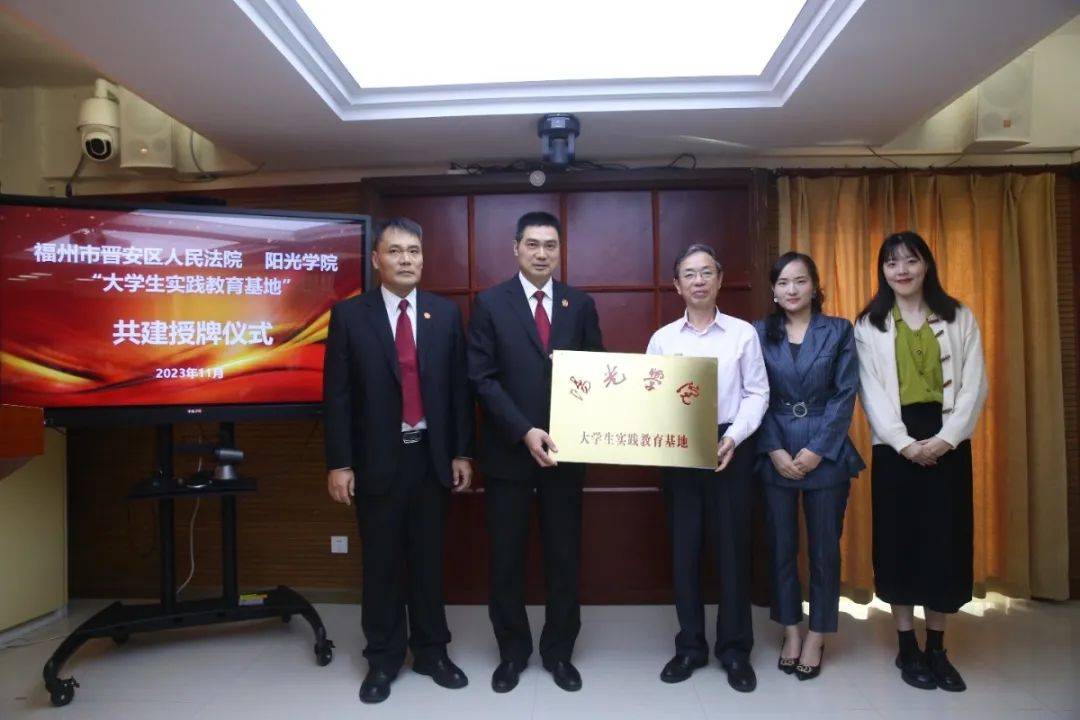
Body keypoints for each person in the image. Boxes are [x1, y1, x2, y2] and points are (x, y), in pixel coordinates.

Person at [323, 217, 475, 704]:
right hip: (376, 461)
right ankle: (383, 658)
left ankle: (432, 652)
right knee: (382, 565)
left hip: (430, 457)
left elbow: (458, 390)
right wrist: (340, 462)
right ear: (376, 259)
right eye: (395, 251)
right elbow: (338, 396)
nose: (405, 259)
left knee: (429, 562)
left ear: (423, 258)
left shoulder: (444, 314)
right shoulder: (350, 316)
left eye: (413, 251)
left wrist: (461, 452)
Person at [467, 210, 604, 694]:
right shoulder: (490, 304)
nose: (541, 253)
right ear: (516, 248)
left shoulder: (579, 304)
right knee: (506, 559)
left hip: (566, 455)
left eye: (550, 245)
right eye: (532, 244)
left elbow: (596, 372)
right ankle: (512, 653)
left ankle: (559, 652)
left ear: (560, 250)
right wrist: (524, 430)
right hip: (509, 455)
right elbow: (481, 378)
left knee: (564, 558)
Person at [855, 230, 988, 692]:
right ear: (883, 271)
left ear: (926, 264)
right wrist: (903, 442)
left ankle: (937, 648)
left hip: (949, 440)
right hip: (894, 445)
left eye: (910, 260)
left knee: (944, 542)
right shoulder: (869, 324)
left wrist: (947, 438)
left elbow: (975, 384)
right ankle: (906, 645)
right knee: (900, 542)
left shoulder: (958, 316)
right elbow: (870, 390)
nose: (902, 270)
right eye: (892, 263)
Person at [645, 243, 768, 693]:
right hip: (680, 448)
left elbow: (757, 393)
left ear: (720, 279)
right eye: (689, 274)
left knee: (733, 551)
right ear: (677, 285)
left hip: (730, 446)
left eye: (706, 272)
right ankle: (690, 647)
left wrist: (733, 437)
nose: (698, 281)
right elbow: (648, 397)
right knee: (685, 550)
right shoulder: (663, 339)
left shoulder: (742, 334)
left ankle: (735, 650)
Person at [753, 251, 864, 681]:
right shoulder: (759, 333)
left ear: (815, 286)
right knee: (781, 548)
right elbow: (753, 392)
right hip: (775, 448)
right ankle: (791, 631)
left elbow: (845, 393)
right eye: (783, 282)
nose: (792, 289)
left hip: (826, 450)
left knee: (823, 550)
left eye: (800, 281)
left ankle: (817, 634)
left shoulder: (838, 330)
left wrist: (818, 449)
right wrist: (773, 449)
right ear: (773, 291)